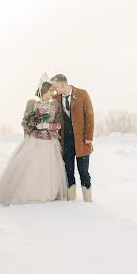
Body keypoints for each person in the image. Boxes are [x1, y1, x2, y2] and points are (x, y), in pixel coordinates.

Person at [0, 80, 68, 205]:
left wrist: (47, 125)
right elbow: (25, 123)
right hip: (34, 140)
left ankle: (47, 192)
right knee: (32, 167)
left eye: (53, 91)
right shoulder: (32, 104)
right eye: (50, 91)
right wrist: (30, 131)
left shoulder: (54, 105)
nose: (52, 93)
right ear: (43, 92)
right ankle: (29, 192)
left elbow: (59, 124)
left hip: (49, 143)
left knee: (47, 168)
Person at [50, 74, 94, 202]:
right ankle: (71, 200)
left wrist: (88, 137)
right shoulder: (55, 98)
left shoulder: (82, 94)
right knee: (68, 172)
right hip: (65, 142)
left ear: (62, 85)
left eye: (55, 87)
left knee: (84, 172)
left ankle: (88, 200)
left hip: (82, 142)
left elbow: (89, 115)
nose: (54, 90)